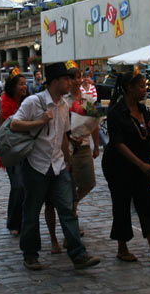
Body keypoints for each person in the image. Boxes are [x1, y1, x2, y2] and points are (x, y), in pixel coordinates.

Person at [10, 62, 100, 271]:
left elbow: (62, 136)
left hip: (58, 165)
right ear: (56, 81)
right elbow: (15, 124)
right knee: (31, 212)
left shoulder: (63, 105)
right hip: (36, 166)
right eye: (67, 79)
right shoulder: (34, 102)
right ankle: (30, 254)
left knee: (67, 210)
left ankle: (78, 254)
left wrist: (68, 160)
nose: (71, 82)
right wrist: (38, 122)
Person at [103, 71, 150, 263]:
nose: (145, 90)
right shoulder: (116, 112)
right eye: (142, 86)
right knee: (122, 205)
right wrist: (141, 165)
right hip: (119, 165)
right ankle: (122, 248)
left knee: (147, 203)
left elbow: (143, 133)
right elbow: (119, 144)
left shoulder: (143, 110)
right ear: (129, 88)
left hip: (142, 161)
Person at [46, 64, 101, 254]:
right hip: (67, 148)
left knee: (89, 183)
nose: (77, 80)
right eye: (73, 77)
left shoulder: (87, 99)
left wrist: (96, 145)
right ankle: (70, 225)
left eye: (79, 77)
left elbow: (94, 122)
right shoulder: (63, 100)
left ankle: (73, 205)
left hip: (84, 145)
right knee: (67, 187)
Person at [0, 70, 28, 236]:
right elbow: (0, 132)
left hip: (29, 150)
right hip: (11, 152)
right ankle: (13, 222)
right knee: (18, 186)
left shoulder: (30, 102)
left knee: (26, 189)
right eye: (21, 84)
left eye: (25, 84)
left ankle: (24, 221)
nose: (25, 86)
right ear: (13, 87)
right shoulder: (5, 105)